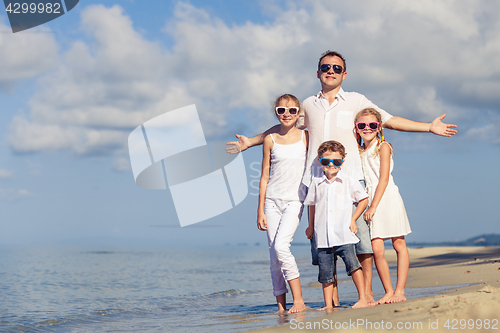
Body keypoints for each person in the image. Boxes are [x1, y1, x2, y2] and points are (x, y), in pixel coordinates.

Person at [227, 50, 457, 305]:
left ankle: (367, 296)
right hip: (317, 182)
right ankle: (332, 302)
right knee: (324, 246)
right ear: (318, 72)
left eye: (337, 68)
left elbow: (389, 120)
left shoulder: (356, 100)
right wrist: (251, 142)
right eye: (326, 67)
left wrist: (428, 126)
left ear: (344, 74)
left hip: (351, 180)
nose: (331, 71)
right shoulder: (308, 104)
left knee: (361, 244)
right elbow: (284, 128)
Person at [257, 94, 309, 313]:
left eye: (292, 111)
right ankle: (281, 307)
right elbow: (264, 177)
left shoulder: (306, 137)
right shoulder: (270, 139)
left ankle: (299, 301)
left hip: (294, 200)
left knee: (281, 247)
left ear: (299, 113)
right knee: (273, 255)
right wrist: (260, 210)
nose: (286, 114)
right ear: (276, 113)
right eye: (281, 110)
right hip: (271, 201)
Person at [355, 108, 412, 304]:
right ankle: (388, 291)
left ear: (379, 127)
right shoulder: (359, 151)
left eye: (372, 125)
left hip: (387, 198)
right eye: (362, 125)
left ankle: (400, 291)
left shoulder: (383, 146)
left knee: (398, 243)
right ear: (356, 128)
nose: (367, 128)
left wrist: (373, 207)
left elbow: (384, 179)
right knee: (377, 249)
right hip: (369, 200)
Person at [304, 140, 369, 309]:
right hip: (323, 237)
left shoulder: (348, 181)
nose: (331, 165)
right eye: (326, 161)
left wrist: (353, 219)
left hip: (344, 234)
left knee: (353, 265)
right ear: (320, 161)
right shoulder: (316, 182)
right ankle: (328, 305)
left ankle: (363, 298)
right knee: (325, 273)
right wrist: (310, 226)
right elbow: (311, 205)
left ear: (342, 161)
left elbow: (363, 199)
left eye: (336, 161)